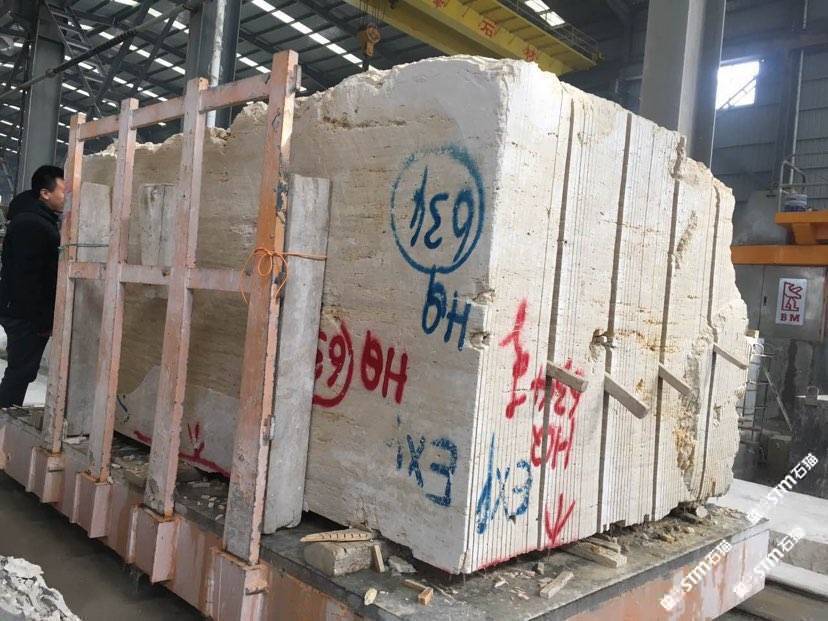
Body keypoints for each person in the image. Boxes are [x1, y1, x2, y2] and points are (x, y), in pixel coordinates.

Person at [0, 165, 64, 407]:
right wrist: (41, 320)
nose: (66, 197)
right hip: (24, 314)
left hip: (24, 311)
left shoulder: (39, 219)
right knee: (20, 371)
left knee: (23, 371)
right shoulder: (32, 224)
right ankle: (4, 415)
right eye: (63, 191)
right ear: (45, 193)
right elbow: (25, 278)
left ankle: (7, 411)